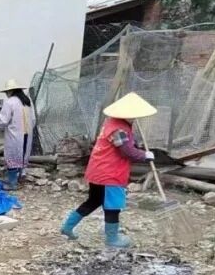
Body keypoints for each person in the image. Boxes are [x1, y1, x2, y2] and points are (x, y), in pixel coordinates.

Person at [60, 92, 156, 248]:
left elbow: (126, 144)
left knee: (93, 201)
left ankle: (67, 226)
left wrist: (136, 145)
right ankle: (112, 239)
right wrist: (144, 155)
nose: (135, 118)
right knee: (113, 206)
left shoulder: (111, 122)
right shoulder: (119, 129)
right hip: (110, 173)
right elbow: (126, 151)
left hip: (98, 170)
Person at [0, 79, 34, 190]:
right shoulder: (28, 101)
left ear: (10, 91)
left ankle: (12, 183)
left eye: (6, 92)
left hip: (15, 135)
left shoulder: (9, 102)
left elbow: (3, 121)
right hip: (27, 134)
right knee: (23, 157)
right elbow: (33, 119)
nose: (6, 94)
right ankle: (20, 178)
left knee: (13, 158)